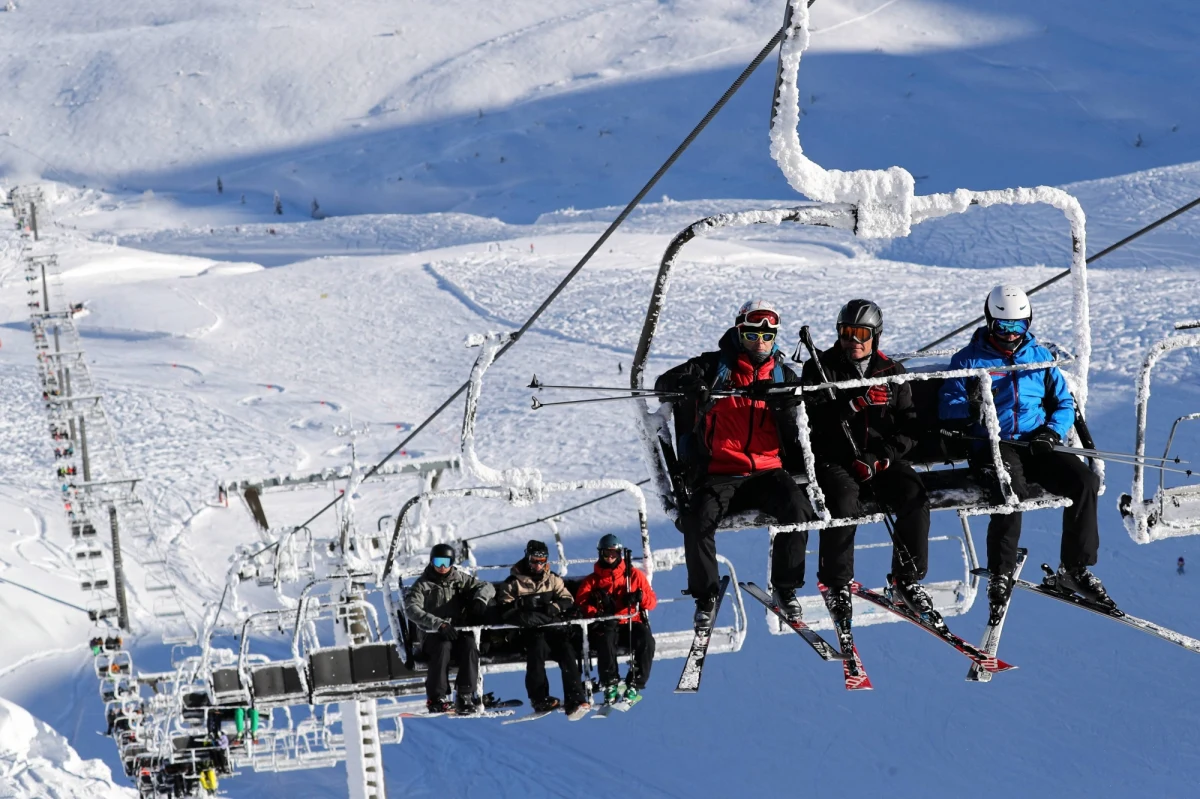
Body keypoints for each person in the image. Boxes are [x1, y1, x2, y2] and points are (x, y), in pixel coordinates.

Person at [939, 285, 1108, 621]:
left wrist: (1050, 432)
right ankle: (1000, 573)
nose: (1011, 335)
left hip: (1035, 441)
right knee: (1009, 488)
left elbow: (1064, 404)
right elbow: (948, 405)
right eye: (1003, 327)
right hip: (993, 442)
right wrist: (972, 410)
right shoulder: (969, 361)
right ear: (990, 322)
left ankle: (1074, 567)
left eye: (1019, 326)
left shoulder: (1040, 358)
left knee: (1085, 481)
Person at [654, 299, 816, 627]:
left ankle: (786, 588)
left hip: (767, 470)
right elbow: (664, 384)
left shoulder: (783, 373)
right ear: (739, 332)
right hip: (720, 472)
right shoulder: (715, 367)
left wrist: (783, 403)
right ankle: (706, 595)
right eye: (752, 335)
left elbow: (800, 422)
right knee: (697, 519)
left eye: (767, 336)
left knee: (798, 510)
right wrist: (691, 387)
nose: (760, 343)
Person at [800, 299, 933, 623]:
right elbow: (812, 419)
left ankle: (907, 578)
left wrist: (881, 458)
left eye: (861, 333)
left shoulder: (891, 372)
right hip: (834, 458)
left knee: (914, 496)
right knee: (844, 501)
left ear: (876, 335)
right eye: (846, 333)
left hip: (877, 460)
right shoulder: (821, 367)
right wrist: (855, 402)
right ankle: (836, 583)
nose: (853, 341)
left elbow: (909, 429)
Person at [497, 540, 589, 716]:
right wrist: (522, 605)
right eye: (534, 560)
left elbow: (567, 599)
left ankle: (575, 698)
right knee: (536, 649)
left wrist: (555, 607)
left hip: (552, 629)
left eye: (542, 561)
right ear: (527, 558)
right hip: (528, 632)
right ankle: (539, 698)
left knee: (567, 651)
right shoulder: (514, 582)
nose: (538, 565)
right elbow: (504, 609)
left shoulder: (552, 579)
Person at [404, 543, 494, 714]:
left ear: (452, 562)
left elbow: (486, 586)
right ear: (431, 562)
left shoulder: (458, 579)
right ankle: (437, 698)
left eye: (446, 562)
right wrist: (438, 624)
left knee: (469, 646)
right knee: (442, 648)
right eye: (438, 562)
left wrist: (480, 600)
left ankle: (465, 694)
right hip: (432, 634)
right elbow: (412, 609)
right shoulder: (423, 585)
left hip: (456, 631)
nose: (443, 567)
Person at [574, 534, 657, 705]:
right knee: (606, 640)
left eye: (614, 553)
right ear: (600, 554)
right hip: (606, 624)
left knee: (646, 640)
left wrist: (638, 597)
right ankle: (610, 682)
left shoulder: (633, 576)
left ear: (619, 554)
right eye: (606, 553)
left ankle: (635, 683)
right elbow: (581, 603)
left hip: (630, 622)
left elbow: (652, 602)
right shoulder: (593, 580)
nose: (610, 557)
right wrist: (597, 611)